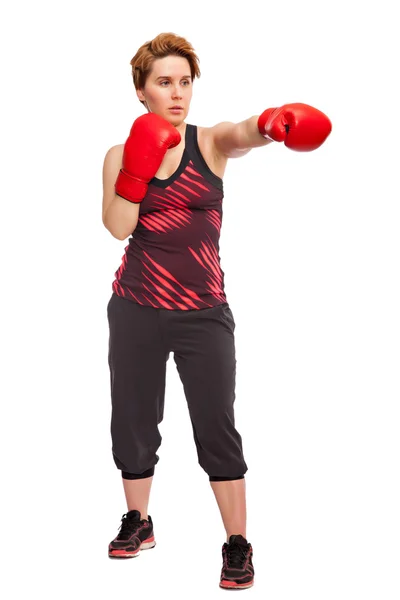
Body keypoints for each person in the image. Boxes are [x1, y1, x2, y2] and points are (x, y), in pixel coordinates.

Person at [102, 32, 332, 590]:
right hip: (135, 305)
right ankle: (139, 520)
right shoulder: (118, 153)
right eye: (164, 83)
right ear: (141, 92)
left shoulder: (211, 145)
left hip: (204, 312)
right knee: (133, 419)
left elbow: (243, 132)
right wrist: (136, 167)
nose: (177, 93)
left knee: (216, 424)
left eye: (185, 82)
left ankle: (236, 543)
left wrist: (272, 122)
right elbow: (117, 227)